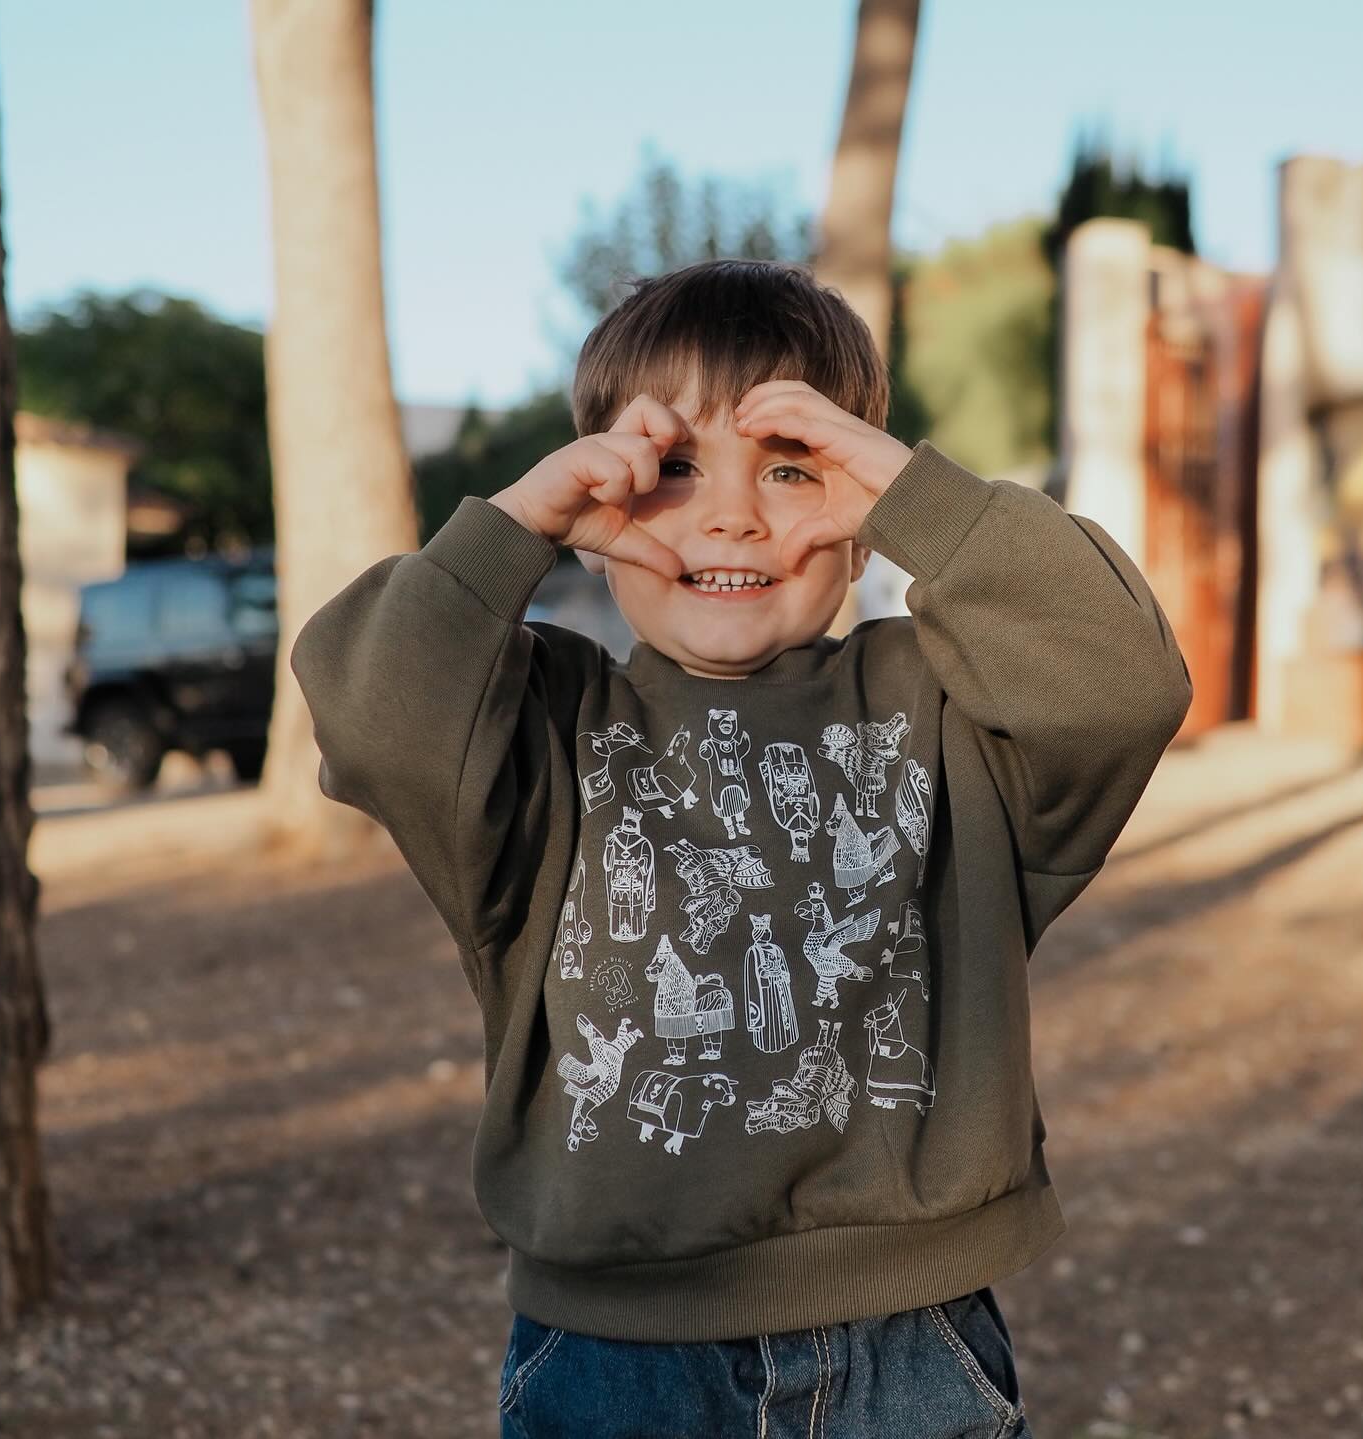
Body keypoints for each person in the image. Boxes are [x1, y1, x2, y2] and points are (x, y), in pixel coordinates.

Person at [290, 258, 1193, 1437]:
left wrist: (918, 497)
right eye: (669, 469)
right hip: (611, 1356)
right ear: (599, 508)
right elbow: (370, 707)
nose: (734, 516)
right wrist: (521, 522)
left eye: (789, 467)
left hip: (910, 1341)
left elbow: (1123, 682)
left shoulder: (948, 708)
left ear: (864, 519)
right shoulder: (537, 731)